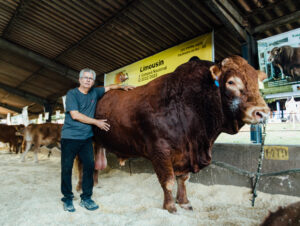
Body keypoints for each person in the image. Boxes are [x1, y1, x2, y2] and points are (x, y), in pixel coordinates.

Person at [61, 68, 134, 212]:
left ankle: (86, 198)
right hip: (70, 138)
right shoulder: (72, 94)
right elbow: (75, 115)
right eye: (85, 78)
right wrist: (96, 122)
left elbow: (110, 87)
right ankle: (67, 199)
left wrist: (122, 86)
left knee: (89, 167)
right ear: (80, 79)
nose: (88, 80)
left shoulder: (95, 92)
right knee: (66, 169)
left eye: (91, 78)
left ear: (93, 81)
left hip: (86, 139)